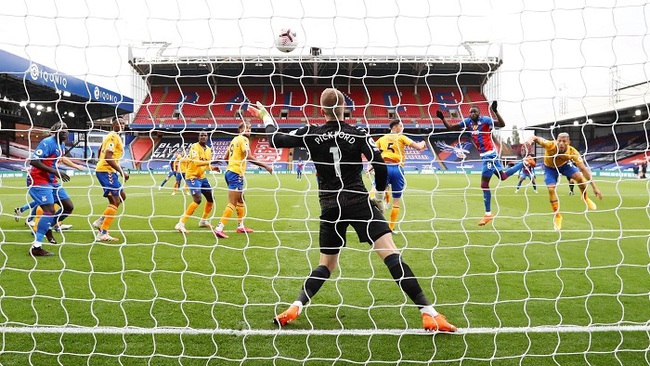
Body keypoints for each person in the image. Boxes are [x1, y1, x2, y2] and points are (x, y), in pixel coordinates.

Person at [248, 88, 456, 332]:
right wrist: (378, 196)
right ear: (344, 109)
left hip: (329, 206)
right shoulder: (357, 133)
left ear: (322, 110)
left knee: (325, 265)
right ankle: (428, 313)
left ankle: (296, 306)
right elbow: (378, 164)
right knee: (391, 254)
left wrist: (265, 116)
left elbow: (275, 140)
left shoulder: (310, 132)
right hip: (358, 201)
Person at [436, 104, 534, 226]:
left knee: (484, 184)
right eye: (471, 112)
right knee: (503, 176)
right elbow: (451, 127)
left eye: (475, 112)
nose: (472, 114)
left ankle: (488, 214)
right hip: (488, 156)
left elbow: (501, 124)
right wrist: (442, 119)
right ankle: (525, 162)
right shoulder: (468, 122)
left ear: (479, 113)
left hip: (489, 156)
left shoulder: (486, 120)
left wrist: (495, 111)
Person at [525, 133, 603, 230]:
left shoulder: (573, 152)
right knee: (551, 189)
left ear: (568, 142)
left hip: (564, 165)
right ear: (556, 141)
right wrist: (529, 140)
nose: (561, 143)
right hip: (550, 168)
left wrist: (594, 187)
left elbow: (583, 169)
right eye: (559, 141)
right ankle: (558, 216)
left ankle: (585, 198)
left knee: (579, 177)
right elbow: (535, 137)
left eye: (564, 141)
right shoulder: (550, 145)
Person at [213, 122, 273, 238]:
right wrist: (265, 165)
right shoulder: (243, 140)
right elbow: (248, 156)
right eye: (246, 128)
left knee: (241, 200)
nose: (249, 130)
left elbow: (226, 157)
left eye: (250, 128)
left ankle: (240, 226)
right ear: (240, 130)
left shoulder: (234, 140)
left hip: (231, 172)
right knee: (233, 202)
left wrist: (231, 166)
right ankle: (219, 227)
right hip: (236, 174)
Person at [27, 122, 75, 256]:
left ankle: (47, 226)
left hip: (51, 181)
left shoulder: (62, 146)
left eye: (66, 129)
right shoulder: (47, 142)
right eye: (61, 130)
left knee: (68, 207)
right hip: (38, 179)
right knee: (49, 210)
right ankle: (36, 247)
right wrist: (55, 172)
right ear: (55, 132)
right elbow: (34, 161)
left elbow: (52, 161)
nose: (65, 131)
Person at [374, 119, 427, 231]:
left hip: (384, 168)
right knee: (396, 200)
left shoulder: (382, 138)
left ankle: (375, 222)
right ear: (395, 127)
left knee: (377, 194)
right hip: (398, 168)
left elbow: (373, 150)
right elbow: (418, 147)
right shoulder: (401, 137)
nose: (402, 128)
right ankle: (391, 228)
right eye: (401, 126)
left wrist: (372, 165)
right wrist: (423, 142)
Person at [174, 131, 219, 234]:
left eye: (205, 135)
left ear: (207, 137)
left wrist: (213, 168)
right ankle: (180, 224)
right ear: (198, 137)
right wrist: (210, 163)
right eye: (201, 135)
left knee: (211, 198)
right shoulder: (194, 147)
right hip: (192, 176)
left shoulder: (208, 150)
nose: (203, 137)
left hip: (202, 177)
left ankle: (203, 221)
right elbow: (196, 162)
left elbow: (206, 165)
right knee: (198, 199)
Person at [93, 116, 129, 242]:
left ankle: (101, 221)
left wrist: (100, 162)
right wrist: (121, 171)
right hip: (106, 171)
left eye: (124, 123)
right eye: (119, 123)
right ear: (113, 124)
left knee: (121, 197)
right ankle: (103, 233)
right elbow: (108, 157)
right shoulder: (113, 136)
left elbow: (99, 149)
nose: (122, 125)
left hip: (108, 170)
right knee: (115, 201)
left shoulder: (114, 137)